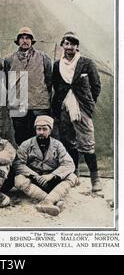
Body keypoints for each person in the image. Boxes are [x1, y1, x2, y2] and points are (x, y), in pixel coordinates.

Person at [52, 31, 103, 195]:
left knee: (87, 143)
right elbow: (56, 85)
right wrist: (62, 103)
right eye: (66, 43)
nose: (69, 47)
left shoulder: (86, 63)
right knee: (68, 141)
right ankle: (75, 173)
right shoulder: (57, 65)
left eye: (73, 44)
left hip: (82, 108)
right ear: (63, 46)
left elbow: (96, 86)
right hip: (64, 108)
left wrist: (87, 104)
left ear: (77, 46)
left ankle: (95, 179)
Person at [13, 115, 77, 216]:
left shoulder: (57, 145)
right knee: (18, 179)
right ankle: (51, 200)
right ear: (35, 130)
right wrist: (35, 175)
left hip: (52, 180)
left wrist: (51, 175)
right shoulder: (26, 144)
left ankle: (47, 202)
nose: (41, 132)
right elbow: (18, 164)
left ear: (50, 131)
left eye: (44, 129)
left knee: (72, 177)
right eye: (39, 129)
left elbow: (69, 164)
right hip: (34, 180)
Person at [5, 26, 52, 146]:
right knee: (20, 134)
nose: (25, 41)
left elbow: (49, 79)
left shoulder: (43, 57)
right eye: (22, 38)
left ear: (32, 41)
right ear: (18, 41)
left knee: (39, 132)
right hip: (18, 103)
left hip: (38, 103)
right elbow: (6, 80)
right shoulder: (9, 59)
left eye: (27, 38)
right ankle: (23, 160)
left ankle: (38, 160)